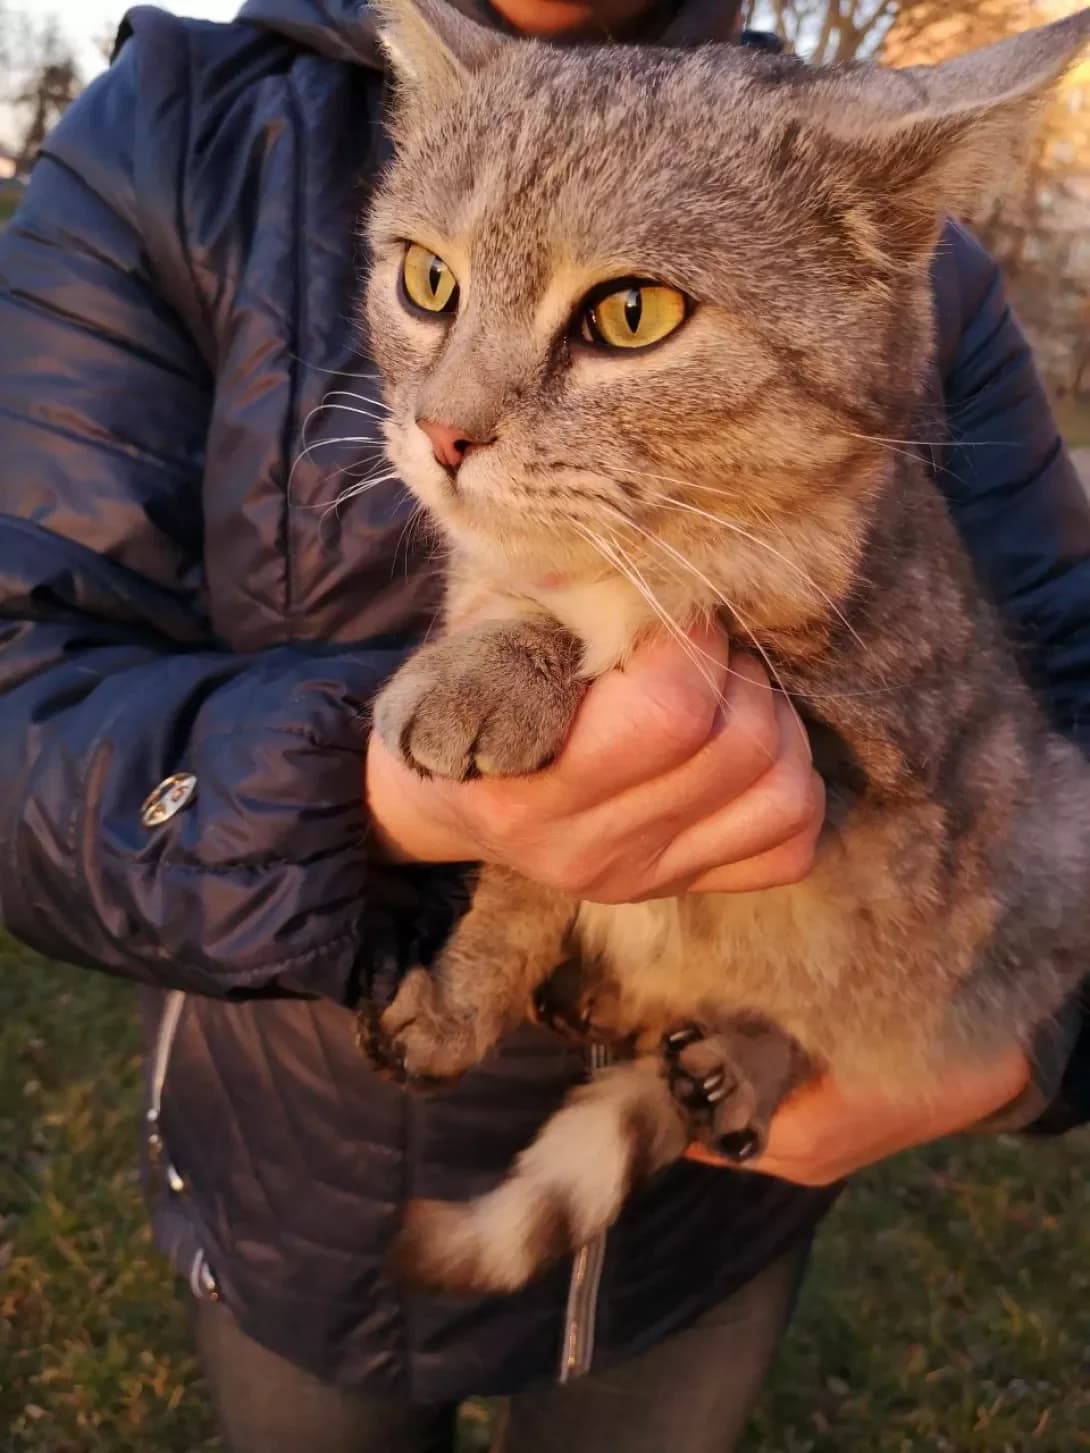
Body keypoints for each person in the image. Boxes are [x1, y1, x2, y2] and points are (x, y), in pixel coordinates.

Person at [0, 1, 1088, 1449]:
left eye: (621, 313)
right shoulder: (175, 130)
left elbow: (1065, 666)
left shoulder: (832, 181)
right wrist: (383, 790)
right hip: (286, 1171)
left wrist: (1035, 1044)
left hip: (719, 1203)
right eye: (429, 282)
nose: (447, 417)